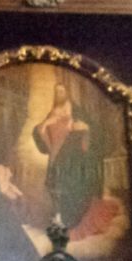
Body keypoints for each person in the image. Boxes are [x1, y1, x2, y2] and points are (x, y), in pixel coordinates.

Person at [32, 83, 101, 228]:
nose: (59, 94)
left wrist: (85, 128)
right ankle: (59, 216)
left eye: (62, 91)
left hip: (73, 156)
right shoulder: (52, 112)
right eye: (57, 92)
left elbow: (90, 128)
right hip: (57, 156)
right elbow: (42, 133)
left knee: (70, 187)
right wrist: (43, 125)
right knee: (54, 185)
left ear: (67, 93)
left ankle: (70, 219)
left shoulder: (75, 110)